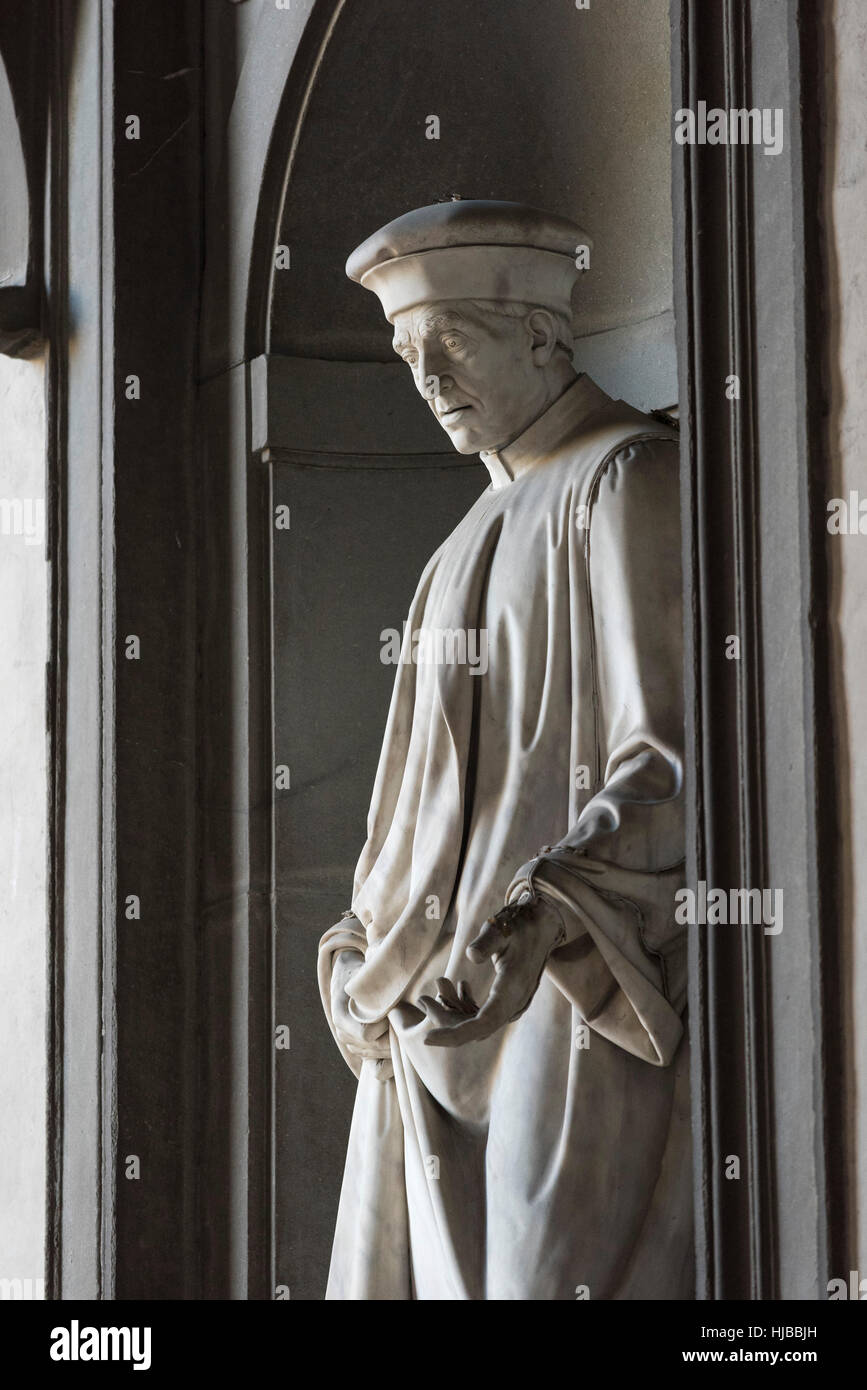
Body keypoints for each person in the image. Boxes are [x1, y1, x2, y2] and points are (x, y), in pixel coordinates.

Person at [317, 200, 693, 1300]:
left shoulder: (625, 478)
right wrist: (355, 953)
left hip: (564, 984)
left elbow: (667, 758)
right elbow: (405, 820)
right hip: (424, 1009)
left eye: (450, 345)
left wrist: (544, 916)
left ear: (542, 337)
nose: (428, 380)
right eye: (407, 356)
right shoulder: (454, 552)